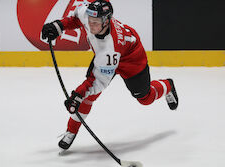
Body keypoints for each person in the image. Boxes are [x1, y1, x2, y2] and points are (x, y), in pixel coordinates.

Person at [41, 0, 178, 152]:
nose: (91, 25)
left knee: (145, 98)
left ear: (106, 22)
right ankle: (71, 131)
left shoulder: (109, 48)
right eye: (90, 21)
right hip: (107, 58)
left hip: (132, 59)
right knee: (87, 98)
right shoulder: (89, 15)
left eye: (96, 22)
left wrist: (78, 94)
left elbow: (99, 82)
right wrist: (58, 26)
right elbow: (74, 18)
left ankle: (168, 85)